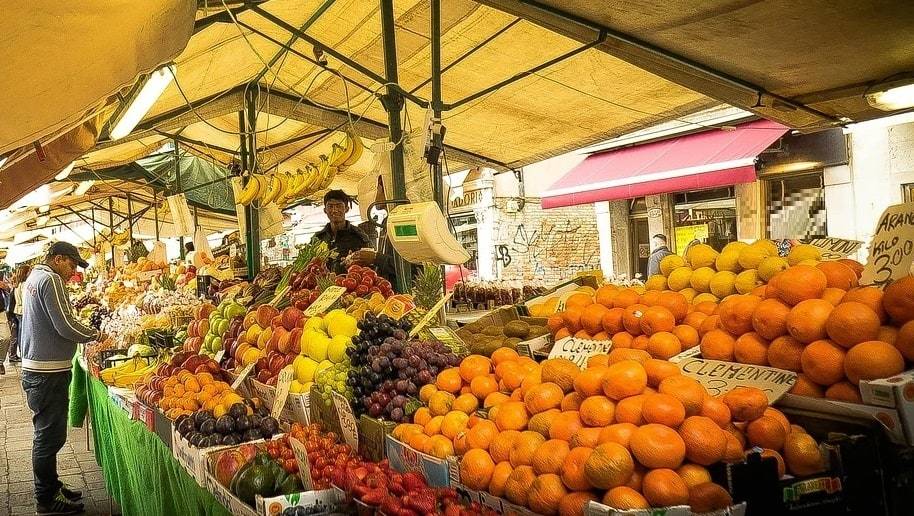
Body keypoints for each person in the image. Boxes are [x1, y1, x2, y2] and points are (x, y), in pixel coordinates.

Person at [21, 242, 99, 515]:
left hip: (38, 369)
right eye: (72, 264)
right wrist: (94, 334)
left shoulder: (34, 276)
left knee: (48, 434)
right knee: (48, 437)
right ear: (57, 259)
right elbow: (64, 324)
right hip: (46, 372)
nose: (74, 271)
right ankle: (45, 499)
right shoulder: (51, 279)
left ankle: (51, 486)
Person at [313, 190, 395, 282]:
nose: (334, 210)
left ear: (347, 209)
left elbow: (371, 266)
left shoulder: (359, 236)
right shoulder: (318, 238)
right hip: (321, 289)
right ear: (325, 210)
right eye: (330, 206)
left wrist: (354, 263)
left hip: (349, 287)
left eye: (339, 206)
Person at [8, 264, 31, 363]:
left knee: (15, 334)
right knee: (22, 334)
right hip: (22, 312)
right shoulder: (25, 284)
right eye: (29, 271)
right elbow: (25, 300)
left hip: (16, 311)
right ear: (25, 273)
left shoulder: (16, 284)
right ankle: (23, 354)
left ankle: (14, 355)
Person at [0, 274, 10, 375]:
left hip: (1, 312)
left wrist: (5, 287)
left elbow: (9, 290)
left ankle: (0, 362)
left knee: (6, 337)